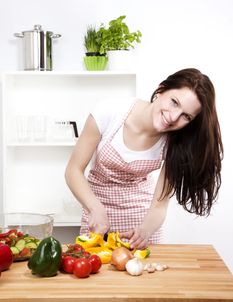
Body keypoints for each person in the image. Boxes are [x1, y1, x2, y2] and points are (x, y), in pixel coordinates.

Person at [65, 68, 223, 250]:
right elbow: (73, 170)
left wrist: (145, 231)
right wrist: (95, 208)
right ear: (161, 90)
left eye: (186, 116)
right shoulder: (109, 112)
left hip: (142, 219)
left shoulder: (176, 143)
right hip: (96, 212)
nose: (173, 117)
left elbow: (159, 204)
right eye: (174, 102)